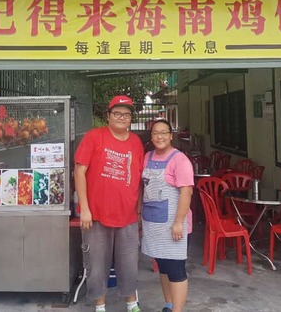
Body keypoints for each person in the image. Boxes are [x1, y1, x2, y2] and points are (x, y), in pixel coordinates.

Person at [74, 95, 145, 312]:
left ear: (131, 118)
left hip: (128, 216)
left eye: (126, 114)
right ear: (108, 116)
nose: (122, 117)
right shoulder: (94, 137)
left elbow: (138, 177)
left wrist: (139, 208)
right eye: (117, 113)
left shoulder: (136, 142)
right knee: (96, 265)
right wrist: (84, 209)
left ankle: (132, 304)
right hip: (96, 215)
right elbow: (79, 171)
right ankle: (100, 306)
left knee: (129, 264)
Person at [141, 119, 194, 312]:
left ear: (171, 135)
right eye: (156, 133)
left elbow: (186, 192)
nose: (160, 137)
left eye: (164, 132)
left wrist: (179, 222)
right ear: (151, 136)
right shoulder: (147, 157)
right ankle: (168, 305)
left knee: (176, 270)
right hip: (153, 223)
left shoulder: (180, 160)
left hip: (174, 224)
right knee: (163, 267)